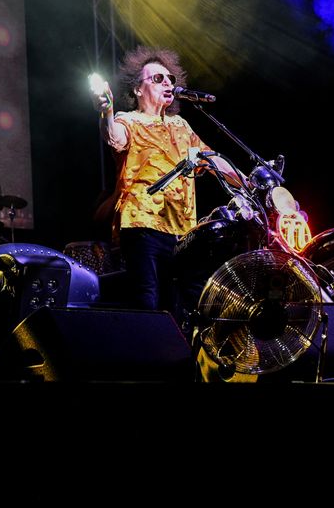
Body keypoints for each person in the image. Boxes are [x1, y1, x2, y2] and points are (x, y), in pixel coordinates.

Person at [95, 45, 235, 326]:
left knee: (184, 305)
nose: (168, 83)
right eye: (158, 78)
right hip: (142, 225)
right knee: (147, 299)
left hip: (183, 230)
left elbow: (213, 160)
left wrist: (249, 182)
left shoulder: (180, 125)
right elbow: (114, 138)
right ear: (137, 89)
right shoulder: (129, 120)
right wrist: (107, 111)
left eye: (170, 78)